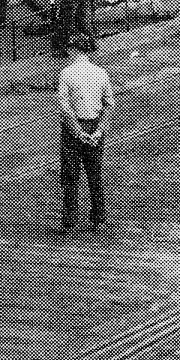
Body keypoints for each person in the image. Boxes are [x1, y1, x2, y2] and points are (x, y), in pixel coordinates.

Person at [56, 35, 113, 234]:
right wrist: (99, 130)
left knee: (70, 175)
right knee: (94, 174)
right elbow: (109, 104)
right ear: (88, 51)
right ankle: (99, 217)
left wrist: (78, 132)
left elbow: (64, 108)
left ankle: (70, 220)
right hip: (95, 125)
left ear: (73, 50)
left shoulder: (66, 73)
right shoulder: (101, 73)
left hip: (73, 129)